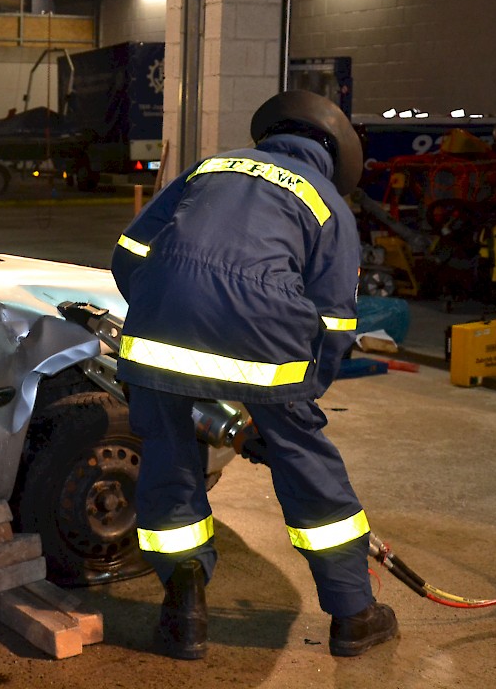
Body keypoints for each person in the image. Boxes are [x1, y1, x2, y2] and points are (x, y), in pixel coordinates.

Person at [110, 90, 398, 660]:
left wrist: (164, 313)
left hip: (155, 340)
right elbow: (335, 321)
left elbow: (128, 253)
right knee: (308, 469)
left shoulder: (209, 168)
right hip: (267, 345)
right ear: (333, 156)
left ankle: (183, 609)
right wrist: (298, 400)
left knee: (169, 463)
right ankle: (353, 616)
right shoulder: (326, 203)